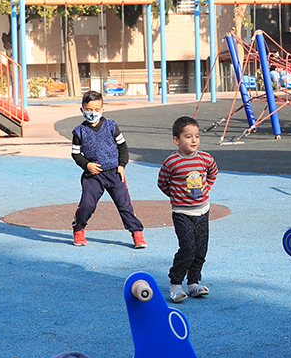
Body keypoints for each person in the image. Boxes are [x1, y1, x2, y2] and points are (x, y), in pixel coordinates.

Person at [70, 90, 146, 249]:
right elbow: (76, 154)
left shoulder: (111, 126)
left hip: (114, 173)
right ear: (82, 109)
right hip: (93, 175)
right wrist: (87, 165)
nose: (93, 113)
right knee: (87, 205)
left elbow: (123, 147)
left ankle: (137, 232)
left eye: (97, 109)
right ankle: (79, 228)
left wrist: (122, 165)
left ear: (102, 109)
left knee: (124, 204)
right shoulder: (79, 131)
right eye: (89, 109)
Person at [157, 116, 217, 303]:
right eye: (188, 136)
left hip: (202, 211)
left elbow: (213, 173)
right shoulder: (172, 162)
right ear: (177, 140)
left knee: (200, 249)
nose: (194, 140)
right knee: (188, 248)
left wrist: (206, 189)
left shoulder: (206, 158)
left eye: (197, 136)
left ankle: (193, 283)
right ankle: (175, 284)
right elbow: (162, 183)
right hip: (182, 213)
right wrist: (176, 196)